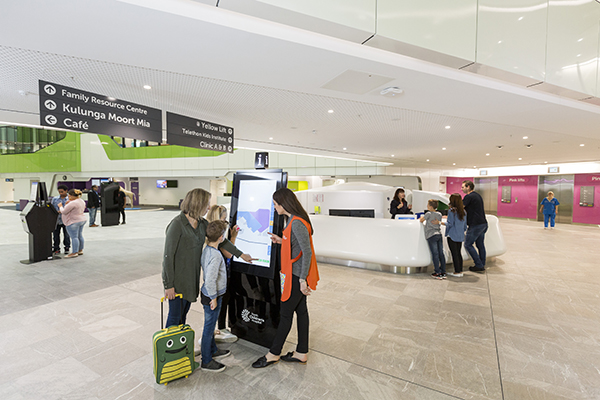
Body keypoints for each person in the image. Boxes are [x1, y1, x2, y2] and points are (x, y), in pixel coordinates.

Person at [161, 189, 255, 341]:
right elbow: (167, 257)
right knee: (174, 319)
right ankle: (169, 355)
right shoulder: (177, 225)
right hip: (177, 281)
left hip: (191, 279)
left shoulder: (202, 223)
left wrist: (241, 255)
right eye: (207, 203)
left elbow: (222, 240)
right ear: (198, 203)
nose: (209, 208)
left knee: (182, 318)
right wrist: (168, 285)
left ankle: (179, 353)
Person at [252, 188, 320, 368]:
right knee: (301, 312)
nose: (274, 207)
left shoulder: (296, 222)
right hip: (294, 273)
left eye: (275, 204)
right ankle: (301, 352)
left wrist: (302, 279)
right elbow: (297, 245)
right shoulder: (293, 220)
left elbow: (307, 252)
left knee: (286, 314)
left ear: (283, 204)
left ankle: (273, 354)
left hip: (296, 275)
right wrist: (281, 241)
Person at [199, 219, 232, 373]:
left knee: (210, 327)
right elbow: (210, 279)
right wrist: (213, 298)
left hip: (209, 294)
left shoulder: (207, 249)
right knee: (208, 328)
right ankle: (206, 361)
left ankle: (212, 350)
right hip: (212, 295)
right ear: (221, 237)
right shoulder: (216, 255)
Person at [206, 205, 239, 344]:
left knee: (222, 303)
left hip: (221, 276)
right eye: (223, 219)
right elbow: (229, 254)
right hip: (220, 278)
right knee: (220, 303)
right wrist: (233, 237)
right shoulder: (218, 239)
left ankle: (219, 329)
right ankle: (216, 332)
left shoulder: (210, 235)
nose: (226, 223)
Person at [462, 180, 488, 273]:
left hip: (475, 225)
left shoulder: (468, 197)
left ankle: (478, 265)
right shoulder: (477, 195)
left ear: (468, 187)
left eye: (463, 187)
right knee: (480, 245)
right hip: (483, 224)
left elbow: (460, 208)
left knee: (468, 244)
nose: (462, 189)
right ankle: (482, 263)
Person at [441, 194, 467, 277]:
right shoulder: (463, 211)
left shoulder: (451, 211)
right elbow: (465, 226)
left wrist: (440, 222)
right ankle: (460, 270)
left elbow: (450, 223)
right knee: (458, 253)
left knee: (454, 253)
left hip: (452, 235)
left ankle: (457, 271)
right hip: (460, 235)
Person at [420, 199, 446, 279]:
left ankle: (437, 272)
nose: (427, 206)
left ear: (431, 206)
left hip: (431, 235)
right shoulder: (439, 214)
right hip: (439, 234)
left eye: (428, 205)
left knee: (435, 254)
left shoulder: (428, 214)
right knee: (441, 253)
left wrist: (422, 217)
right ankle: (443, 271)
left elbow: (421, 220)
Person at [58, 189, 87, 258]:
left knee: (74, 237)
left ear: (71, 196)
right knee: (79, 235)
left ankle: (74, 252)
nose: (68, 196)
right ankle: (80, 250)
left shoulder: (72, 203)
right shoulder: (81, 201)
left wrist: (60, 206)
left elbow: (64, 211)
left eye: (69, 195)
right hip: (81, 220)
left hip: (73, 221)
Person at [51, 184, 71, 255]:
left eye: (62, 191)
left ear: (66, 191)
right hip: (57, 220)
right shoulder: (55, 199)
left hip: (66, 219)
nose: (61, 193)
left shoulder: (70, 199)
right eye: (59, 192)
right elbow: (51, 208)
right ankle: (56, 248)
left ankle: (67, 247)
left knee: (67, 235)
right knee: (55, 235)